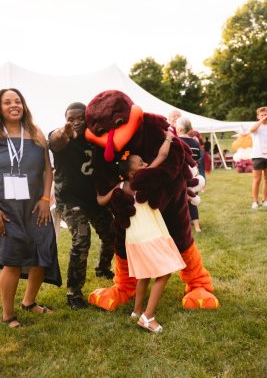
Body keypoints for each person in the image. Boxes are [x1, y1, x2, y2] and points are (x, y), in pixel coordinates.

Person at [97, 131, 186, 332]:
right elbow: (162, 157)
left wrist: (96, 186)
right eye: (141, 164)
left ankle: (137, 310)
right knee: (164, 272)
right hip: (149, 235)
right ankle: (147, 316)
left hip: (134, 238)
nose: (146, 165)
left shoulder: (119, 187)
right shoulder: (143, 181)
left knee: (145, 274)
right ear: (132, 173)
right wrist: (169, 138)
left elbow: (101, 201)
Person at [0, 88, 61, 328]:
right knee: (12, 260)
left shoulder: (35, 133)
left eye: (17, 101)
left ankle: (29, 301)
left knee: (42, 253)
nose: (14, 105)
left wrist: (46, 198)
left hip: (37, 207)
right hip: (8, 209)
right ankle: (8, 314)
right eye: (7, 102)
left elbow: (48, 169)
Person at [49, 102, 115, 310]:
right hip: (69, 199)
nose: (76, 122)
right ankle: (73, 293)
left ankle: (103, 268)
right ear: (65, 119)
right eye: (71, 118)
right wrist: (64, 131)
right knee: (81, 239)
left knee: (112, 233)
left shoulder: (94, 137)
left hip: (93, 197)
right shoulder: (62, 135)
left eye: (80, 118)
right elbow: (55, 141)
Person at [176, 117, 202, 232]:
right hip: (192, 174)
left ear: (180, 128)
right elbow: (196, 158)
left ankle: (182, 227)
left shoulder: (176, 141)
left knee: (179, 201)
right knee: (192, 199)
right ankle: (197, 227)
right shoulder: (195, 143)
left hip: (179, 174)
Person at [249, 106, 267, 209]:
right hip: (258, 156)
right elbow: (252, 129)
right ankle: (255, 201)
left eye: (266, 115)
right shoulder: (256, 126)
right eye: (262, 115)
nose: (264, 116)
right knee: (257, 179)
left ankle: (265, 200)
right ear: (258, 116)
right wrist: (261, 120)